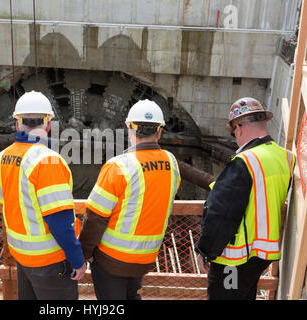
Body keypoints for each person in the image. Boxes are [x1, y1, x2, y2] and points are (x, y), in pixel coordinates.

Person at [78, 99, 181, 300]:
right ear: (159, 132)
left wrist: (83, 253)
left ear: (129, 129)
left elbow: (96, 217)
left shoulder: (118, 166)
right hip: (146, 257)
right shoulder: (172, 162)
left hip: (112, 259)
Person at [195, 97, 296, 300]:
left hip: (235, 259)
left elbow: (221, 213)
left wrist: (205, 251)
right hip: (262, 254)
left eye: (234, 133)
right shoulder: (286, 158)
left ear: (238, 127)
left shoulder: (244, 162)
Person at [0, 91, 86, 300]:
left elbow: (5, 203)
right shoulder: (48, 161)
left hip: (21, 256)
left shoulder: (3, 157)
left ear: (17, 124)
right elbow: (59, 221)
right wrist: (77, 260)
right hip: (49, 262)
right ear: (47, 124)